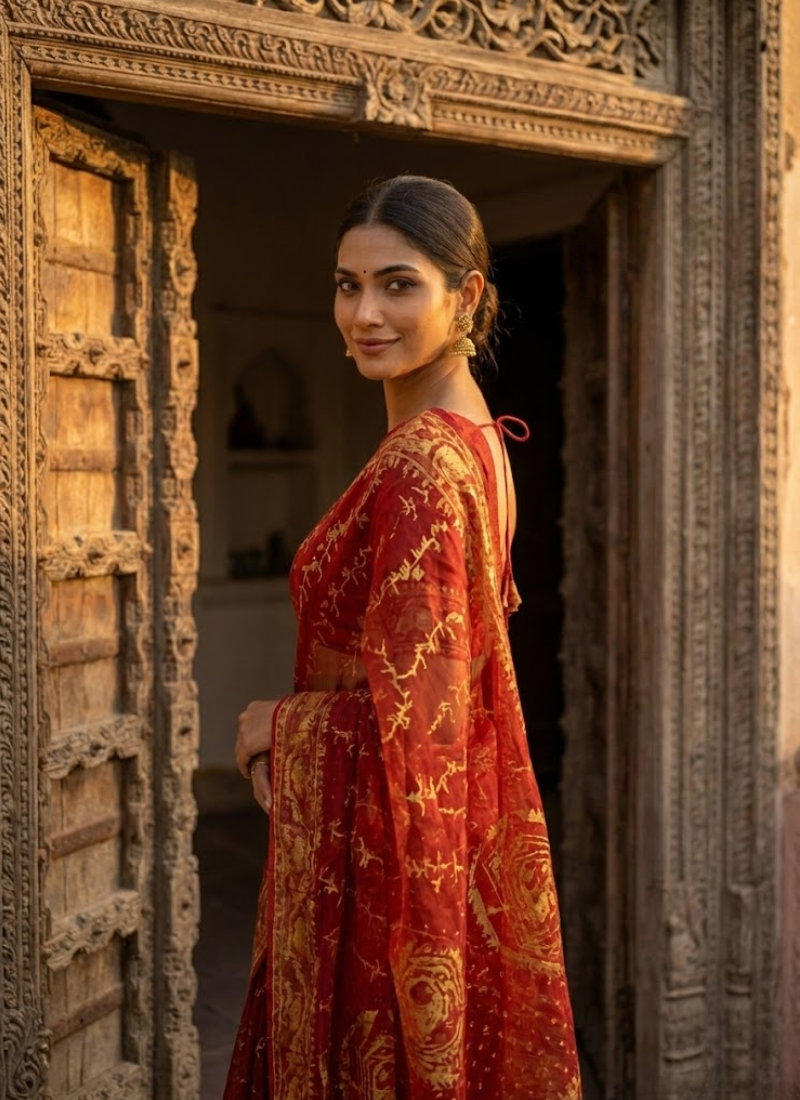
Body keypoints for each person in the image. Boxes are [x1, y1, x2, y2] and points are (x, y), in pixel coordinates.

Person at [223, 175, 582, 1100]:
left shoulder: (421, 470)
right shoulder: (477, 440)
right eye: (348, 285)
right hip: (431, 856)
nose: (364, 314)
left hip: (383, 893)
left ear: (466, 296)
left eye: (398, 285)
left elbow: (423, 744)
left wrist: (283, 729)